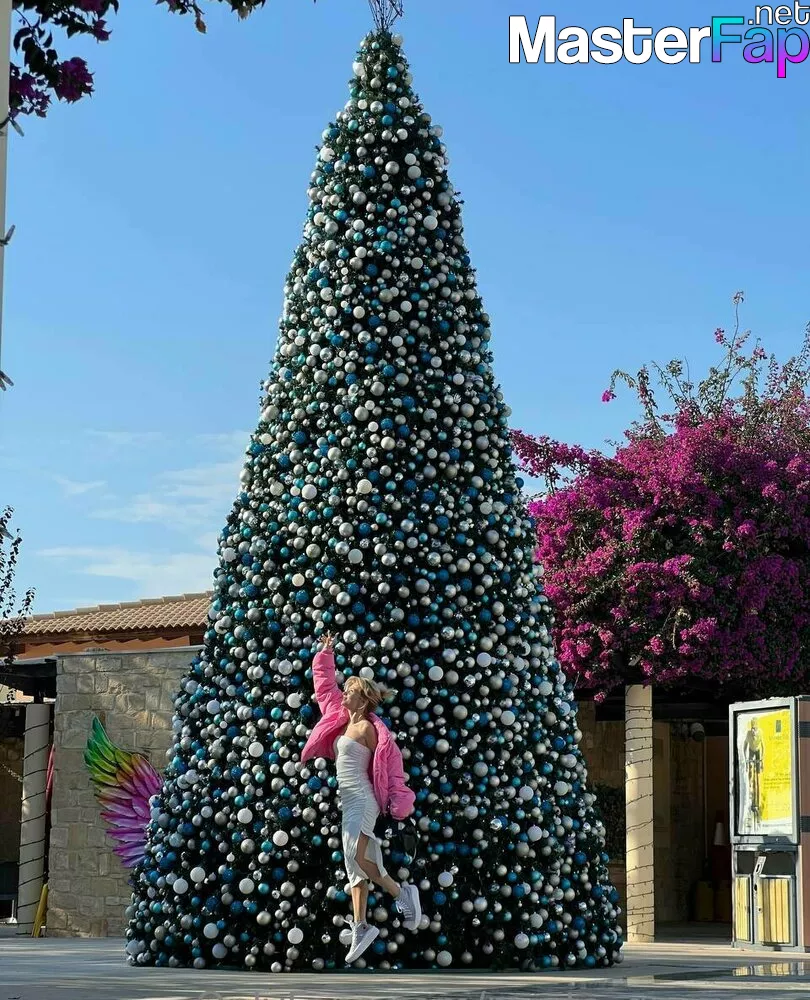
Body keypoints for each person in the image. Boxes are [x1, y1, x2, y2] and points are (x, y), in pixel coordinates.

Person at [301, 632, 422, 964]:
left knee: (356, 854)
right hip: (348, 802)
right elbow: (325, 688)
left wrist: (398, 802)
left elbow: (391, 769)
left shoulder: (372, 730)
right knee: (353, 866)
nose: (345, 695)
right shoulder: (339, 720)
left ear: (364, 699)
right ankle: (361, 925)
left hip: (364, 800)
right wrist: (325, 655)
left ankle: (401, 893)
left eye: (351, 692)